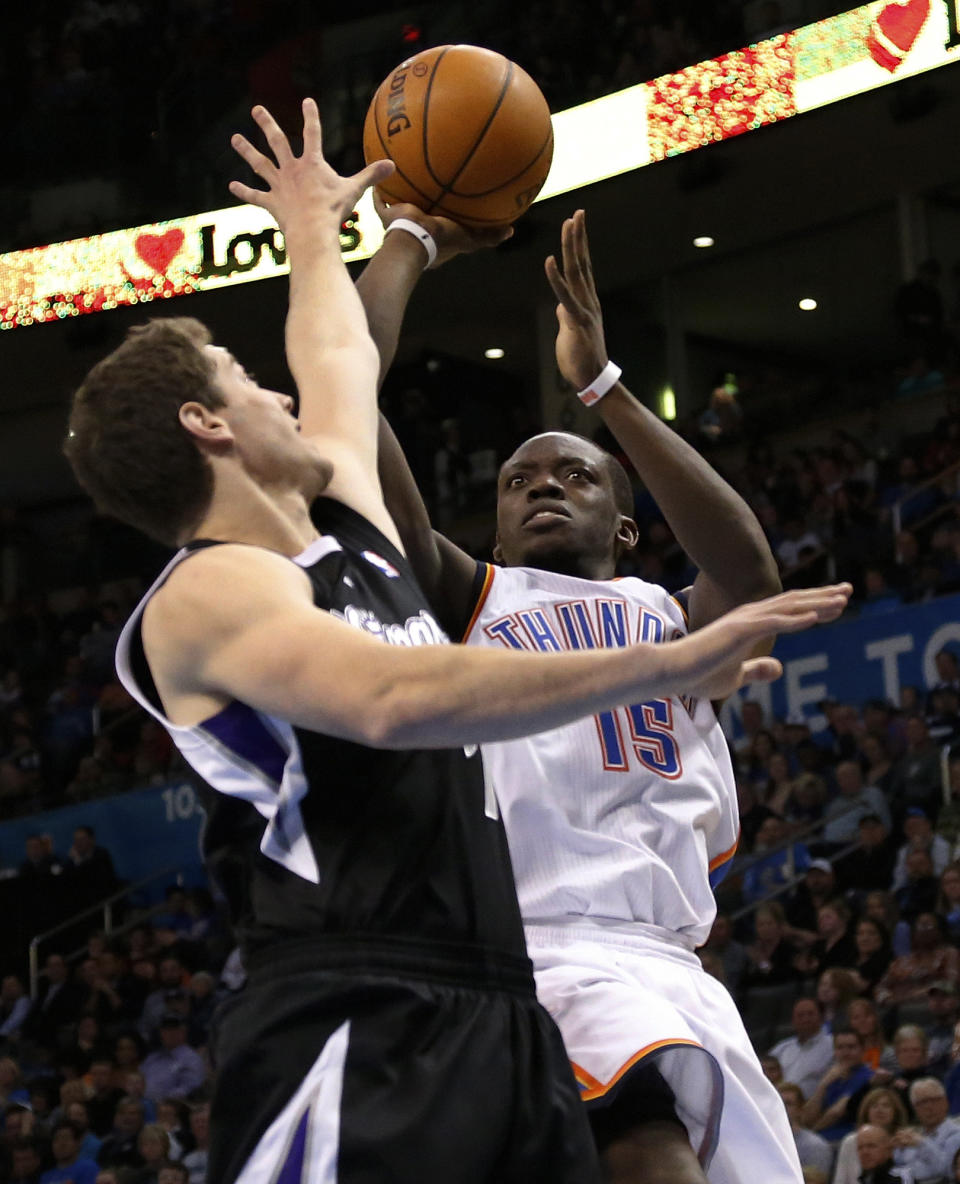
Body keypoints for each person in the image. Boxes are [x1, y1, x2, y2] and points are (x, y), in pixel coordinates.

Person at [64, 103, 850, 1184]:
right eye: (248, 388)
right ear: (209, 428)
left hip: (489, 977)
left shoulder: (363, 555)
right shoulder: (213, 590)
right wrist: (665, 664)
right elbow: (396, 696)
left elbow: (339, 352)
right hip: (352, 988)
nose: (286, 395)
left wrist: (376, 231)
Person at [364, 202, 854, 1181]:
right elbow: (345, 402)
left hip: (664, 960)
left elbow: (750, 576)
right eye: (518, 479)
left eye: (578, 476)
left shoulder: (668, 619)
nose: (544, 484)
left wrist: (604, 387)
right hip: (533, 945)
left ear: (625, 528)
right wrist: (404, 248)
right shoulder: (475, 595)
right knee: (646, 1146)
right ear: (496, 532)